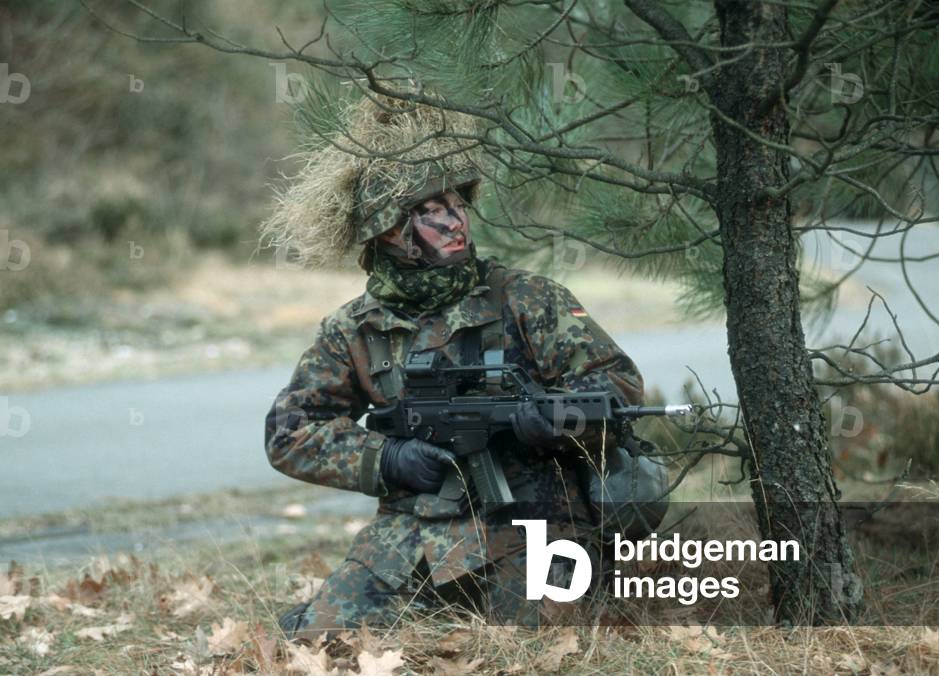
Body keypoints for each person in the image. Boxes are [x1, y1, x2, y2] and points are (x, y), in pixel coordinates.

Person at [262, 94, 651, 643]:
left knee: (534, 646)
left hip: (535, 526)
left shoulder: (528, 298)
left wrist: (553, 419)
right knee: (321, 643)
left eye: (456, 205)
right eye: (428, 212)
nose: (452, 222)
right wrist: (387, 457)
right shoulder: (354, 330)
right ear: (389, 233)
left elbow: (618, 385)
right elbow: (290, 431)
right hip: (409, 538)